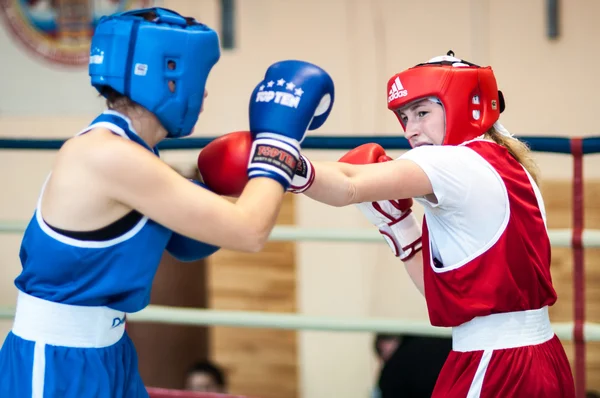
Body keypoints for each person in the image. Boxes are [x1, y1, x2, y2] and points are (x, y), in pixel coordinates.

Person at [0, 6, 334, 398]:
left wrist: (214, 188)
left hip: (109, 352)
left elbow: (189, 244)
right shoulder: (107, 156)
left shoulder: (135, 153)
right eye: (199, 78)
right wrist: (279, 143)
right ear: (169, 78)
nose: (204, 92)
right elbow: (250, 232)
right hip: (59, 361)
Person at [207, 52, 576, 397]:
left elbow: (350, 182)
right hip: (540, 356)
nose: (410, 130)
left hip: (494, 365)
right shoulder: (509, 163)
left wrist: (277, 157)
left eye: (422, 113)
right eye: (404, 117)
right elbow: (444, 298)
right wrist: (398, 226)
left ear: (467, 105)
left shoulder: (453, 164)